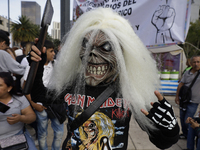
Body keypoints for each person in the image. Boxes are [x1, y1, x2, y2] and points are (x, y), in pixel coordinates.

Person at [30, 8, 179, 150]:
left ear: (122, 53)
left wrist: (170, 127)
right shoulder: (73, 84)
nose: (92, 54)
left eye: (106, 47)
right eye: (86, 46)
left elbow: (162, 142)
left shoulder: (129, 90)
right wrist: (37, 66)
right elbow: (40, 96)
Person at [23, 40, 64, 150]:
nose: (54, 53)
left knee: (59, 132)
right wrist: (33, 103)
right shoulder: (32, 66)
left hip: (54, 106)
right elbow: (25, 87)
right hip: (40, 106)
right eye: (51, 51)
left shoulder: (57, 65)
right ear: (44, 51)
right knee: (42, 134)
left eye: (54, 51)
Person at [0, 72, 37, 150]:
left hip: (17, 136)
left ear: (9, 88)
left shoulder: (19, 99)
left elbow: (32, 116)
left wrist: (21, 118)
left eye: (0, 85)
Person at [175, 55, 200, 139]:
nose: (196, 64)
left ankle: (192, 134)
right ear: (191, 63)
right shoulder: (187, 72)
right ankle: (185, 134)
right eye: (194, 62)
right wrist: (177, 96)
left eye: (198, 62)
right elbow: (180, 85)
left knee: (187, 120)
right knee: (182, 119)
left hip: (194, 102)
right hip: (184, 100)